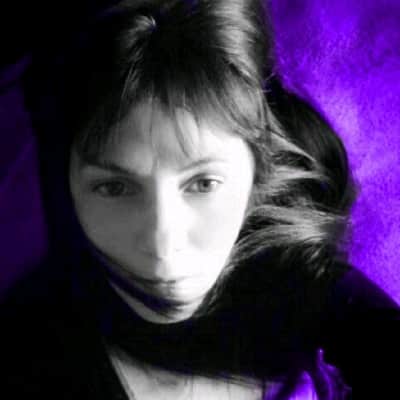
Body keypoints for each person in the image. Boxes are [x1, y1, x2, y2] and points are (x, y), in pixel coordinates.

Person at [1, 0, 399, 399]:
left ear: (259, 169)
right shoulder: (28, 352)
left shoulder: (311, 284)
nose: (162, 247)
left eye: (203, 183)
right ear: (65, 184)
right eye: (114, 188)